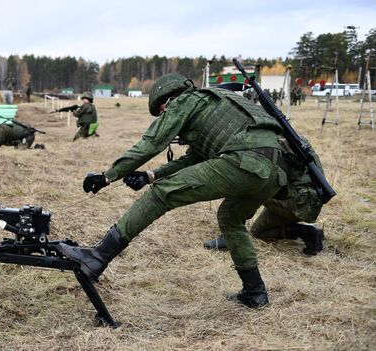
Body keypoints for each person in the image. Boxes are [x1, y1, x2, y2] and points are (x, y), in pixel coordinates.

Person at [57, 73, 296, 309]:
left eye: (162, 109)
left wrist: (108, 176)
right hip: (274, 172)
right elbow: (193, 159)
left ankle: (98, 257)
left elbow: (151, 142)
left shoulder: (185, 101)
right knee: (230, 218)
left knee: (162, 193)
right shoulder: (216, 101)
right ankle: (255, 293)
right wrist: (150, 175)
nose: (164, 114)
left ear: (169, 98)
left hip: (244, 161)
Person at [204, 136, 325, 255]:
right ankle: (308, 232)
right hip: (304, 201)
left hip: (299, 202)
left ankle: (229, 238)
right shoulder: (290, 137)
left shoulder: (272, 143)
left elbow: (257, 180)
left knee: (246, 180)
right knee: (260, 232)